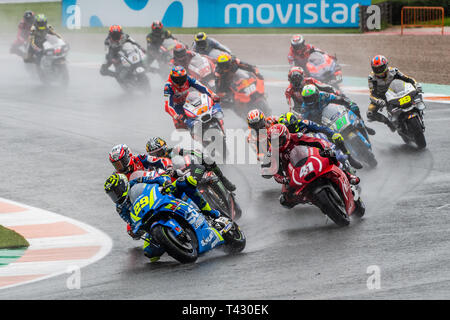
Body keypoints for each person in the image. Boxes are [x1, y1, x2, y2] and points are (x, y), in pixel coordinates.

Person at [104, 172, 221, 261]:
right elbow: (130, 221)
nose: (116, 196)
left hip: (162, 197)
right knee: (150, 253)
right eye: (112, 195)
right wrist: (135, 231)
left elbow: (158, 178)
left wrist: (165, 183)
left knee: (185, 182)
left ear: (123, 184)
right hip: (148, 218)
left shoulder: (136, 182)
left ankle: (209, 211)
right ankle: (174, 244)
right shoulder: (120, 208)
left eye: (117, 191)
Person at [265, 124, 360, 208]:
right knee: (285, 201)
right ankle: (313, 200)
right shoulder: (272, 152)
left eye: (280, 140)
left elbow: (316, 141)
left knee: (331, 154)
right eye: (274, 141)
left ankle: (348, 175)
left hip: (310, 159)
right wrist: (284, 179)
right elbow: (274, 172)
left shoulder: (296, 137)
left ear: (286, 135)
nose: (278, 143)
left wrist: (325, 148)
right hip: (293, 174)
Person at [145, 137, 236, 192]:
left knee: (208, 160)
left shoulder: (174, 151)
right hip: (175, 182)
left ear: (165, 148)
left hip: (189, 170)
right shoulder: (152, 166)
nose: (158, 156)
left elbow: (190, 152)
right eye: (154, 154)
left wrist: (200, 156)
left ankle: (224, 180)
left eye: (159, 152)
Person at [278, 112, 362, 169]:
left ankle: (349, 158)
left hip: (316, 144)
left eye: (291, 127)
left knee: (337, 137)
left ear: (296, 123)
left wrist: (332, 134)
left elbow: (321, 128)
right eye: (287, 129)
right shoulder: (282, 137)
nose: (290, 130)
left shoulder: (304, 123)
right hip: (301, 154)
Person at [367, 55, 422, 132]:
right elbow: (372, 94)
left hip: (397, 91)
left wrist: (416, 84)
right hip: (382, 97)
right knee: (370, 113)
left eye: (381, 68)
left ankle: (419, 110)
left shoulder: (394, 71)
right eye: (376, 69)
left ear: (386, 65)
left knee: (416, 93)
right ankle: (388, 122)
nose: (379, 71)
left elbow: (408, 79)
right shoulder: (371, 78)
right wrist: (378, 100)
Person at [300, 85, 375, 136]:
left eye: (311, 97)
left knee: (354, 107)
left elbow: (338, 99)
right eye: (307, 98)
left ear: (316, 94)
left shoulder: (323, 95)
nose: (310, 100)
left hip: (333, 115)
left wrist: (349, 103)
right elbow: (304, 122)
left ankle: (364, 126)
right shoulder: (304, 108)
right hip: (321, 124)